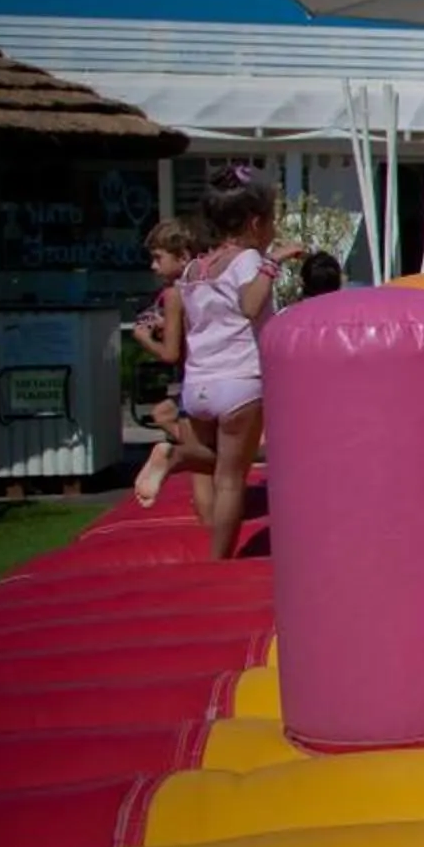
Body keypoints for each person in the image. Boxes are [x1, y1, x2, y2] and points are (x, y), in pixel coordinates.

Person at [146, 166, 278, 558]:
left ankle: (178, 454)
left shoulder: (193, 269)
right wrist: (271, 264)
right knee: (230, 479)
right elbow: (250, 305)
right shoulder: (249, 259)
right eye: (271, 221)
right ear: (256, 223)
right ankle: (219, 560)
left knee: (215, 463)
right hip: (239, 381)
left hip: (198, 384)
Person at [128, 219, 202, 505]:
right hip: (217, 373)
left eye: (159, 258)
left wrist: (144, 338)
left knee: (212, 454)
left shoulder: (174, 294)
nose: (154, 267)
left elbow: (171, 354)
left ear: (182, 255)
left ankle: (176, 456)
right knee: (164, 415)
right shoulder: (202, 286)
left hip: (194, 378)